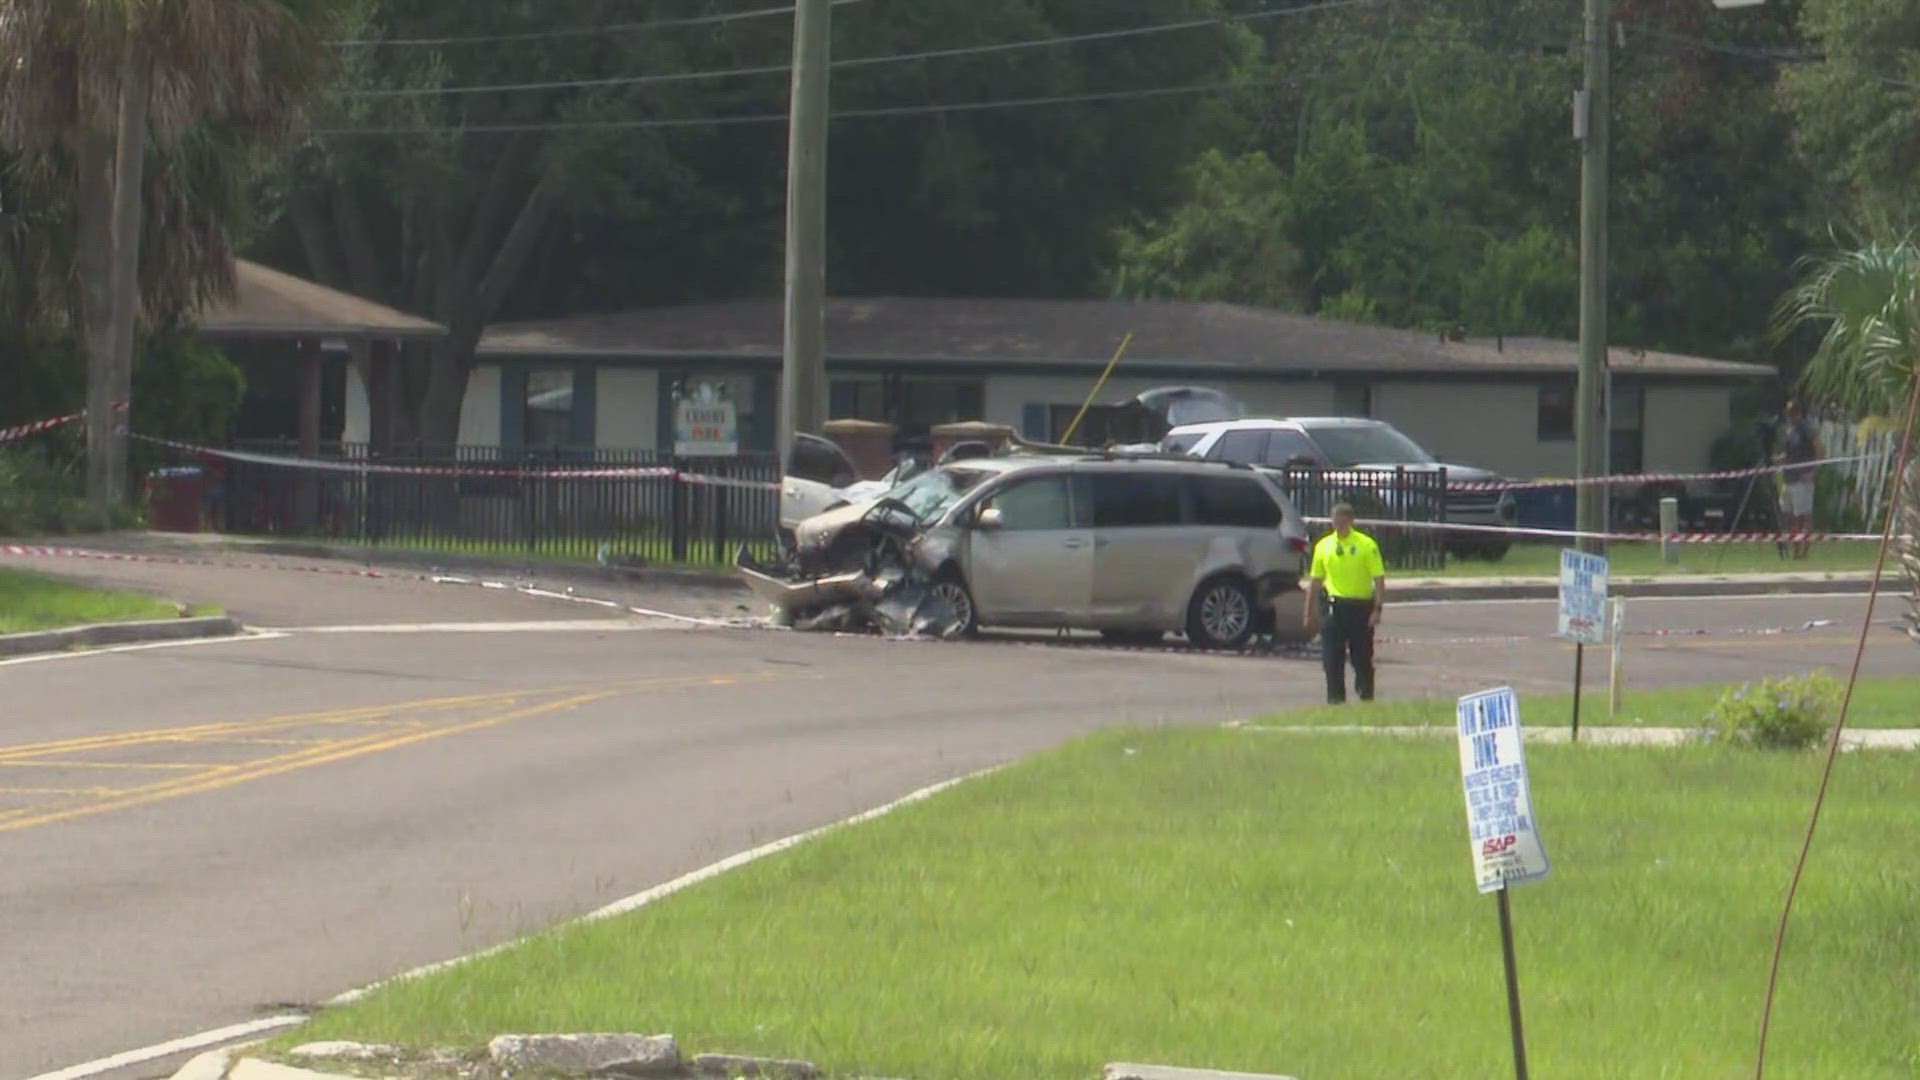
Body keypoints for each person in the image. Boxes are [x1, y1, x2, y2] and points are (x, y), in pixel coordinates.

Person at [1302, 503, 1386, 705]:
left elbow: (1379, 579)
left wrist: (1377, 608)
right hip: (1334, 607)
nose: (1337, 524)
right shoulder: (1324, 546)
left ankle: (1365, 696)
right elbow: (1315, 580)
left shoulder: (1366, 545)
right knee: (1332, 658)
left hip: (1360, 607)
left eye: (1341, 520)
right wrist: (1308, 612)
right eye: (1334, 519)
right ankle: (1335, 700)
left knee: (1361, 658)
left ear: (1350, 521)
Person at [1777, 401, 1821, 560]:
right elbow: (1788, 453)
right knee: (1787, 515)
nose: (1790, 417)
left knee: (1801, 516)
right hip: (1789, 478)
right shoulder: (1790, 431)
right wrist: (1778, 460)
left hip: (1802, 479)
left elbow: (1819, 451)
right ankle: (1794, 546)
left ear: (1798, 413)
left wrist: (1813, 472)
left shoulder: (1807, 429)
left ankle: (1802, 551)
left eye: (1792, 413)